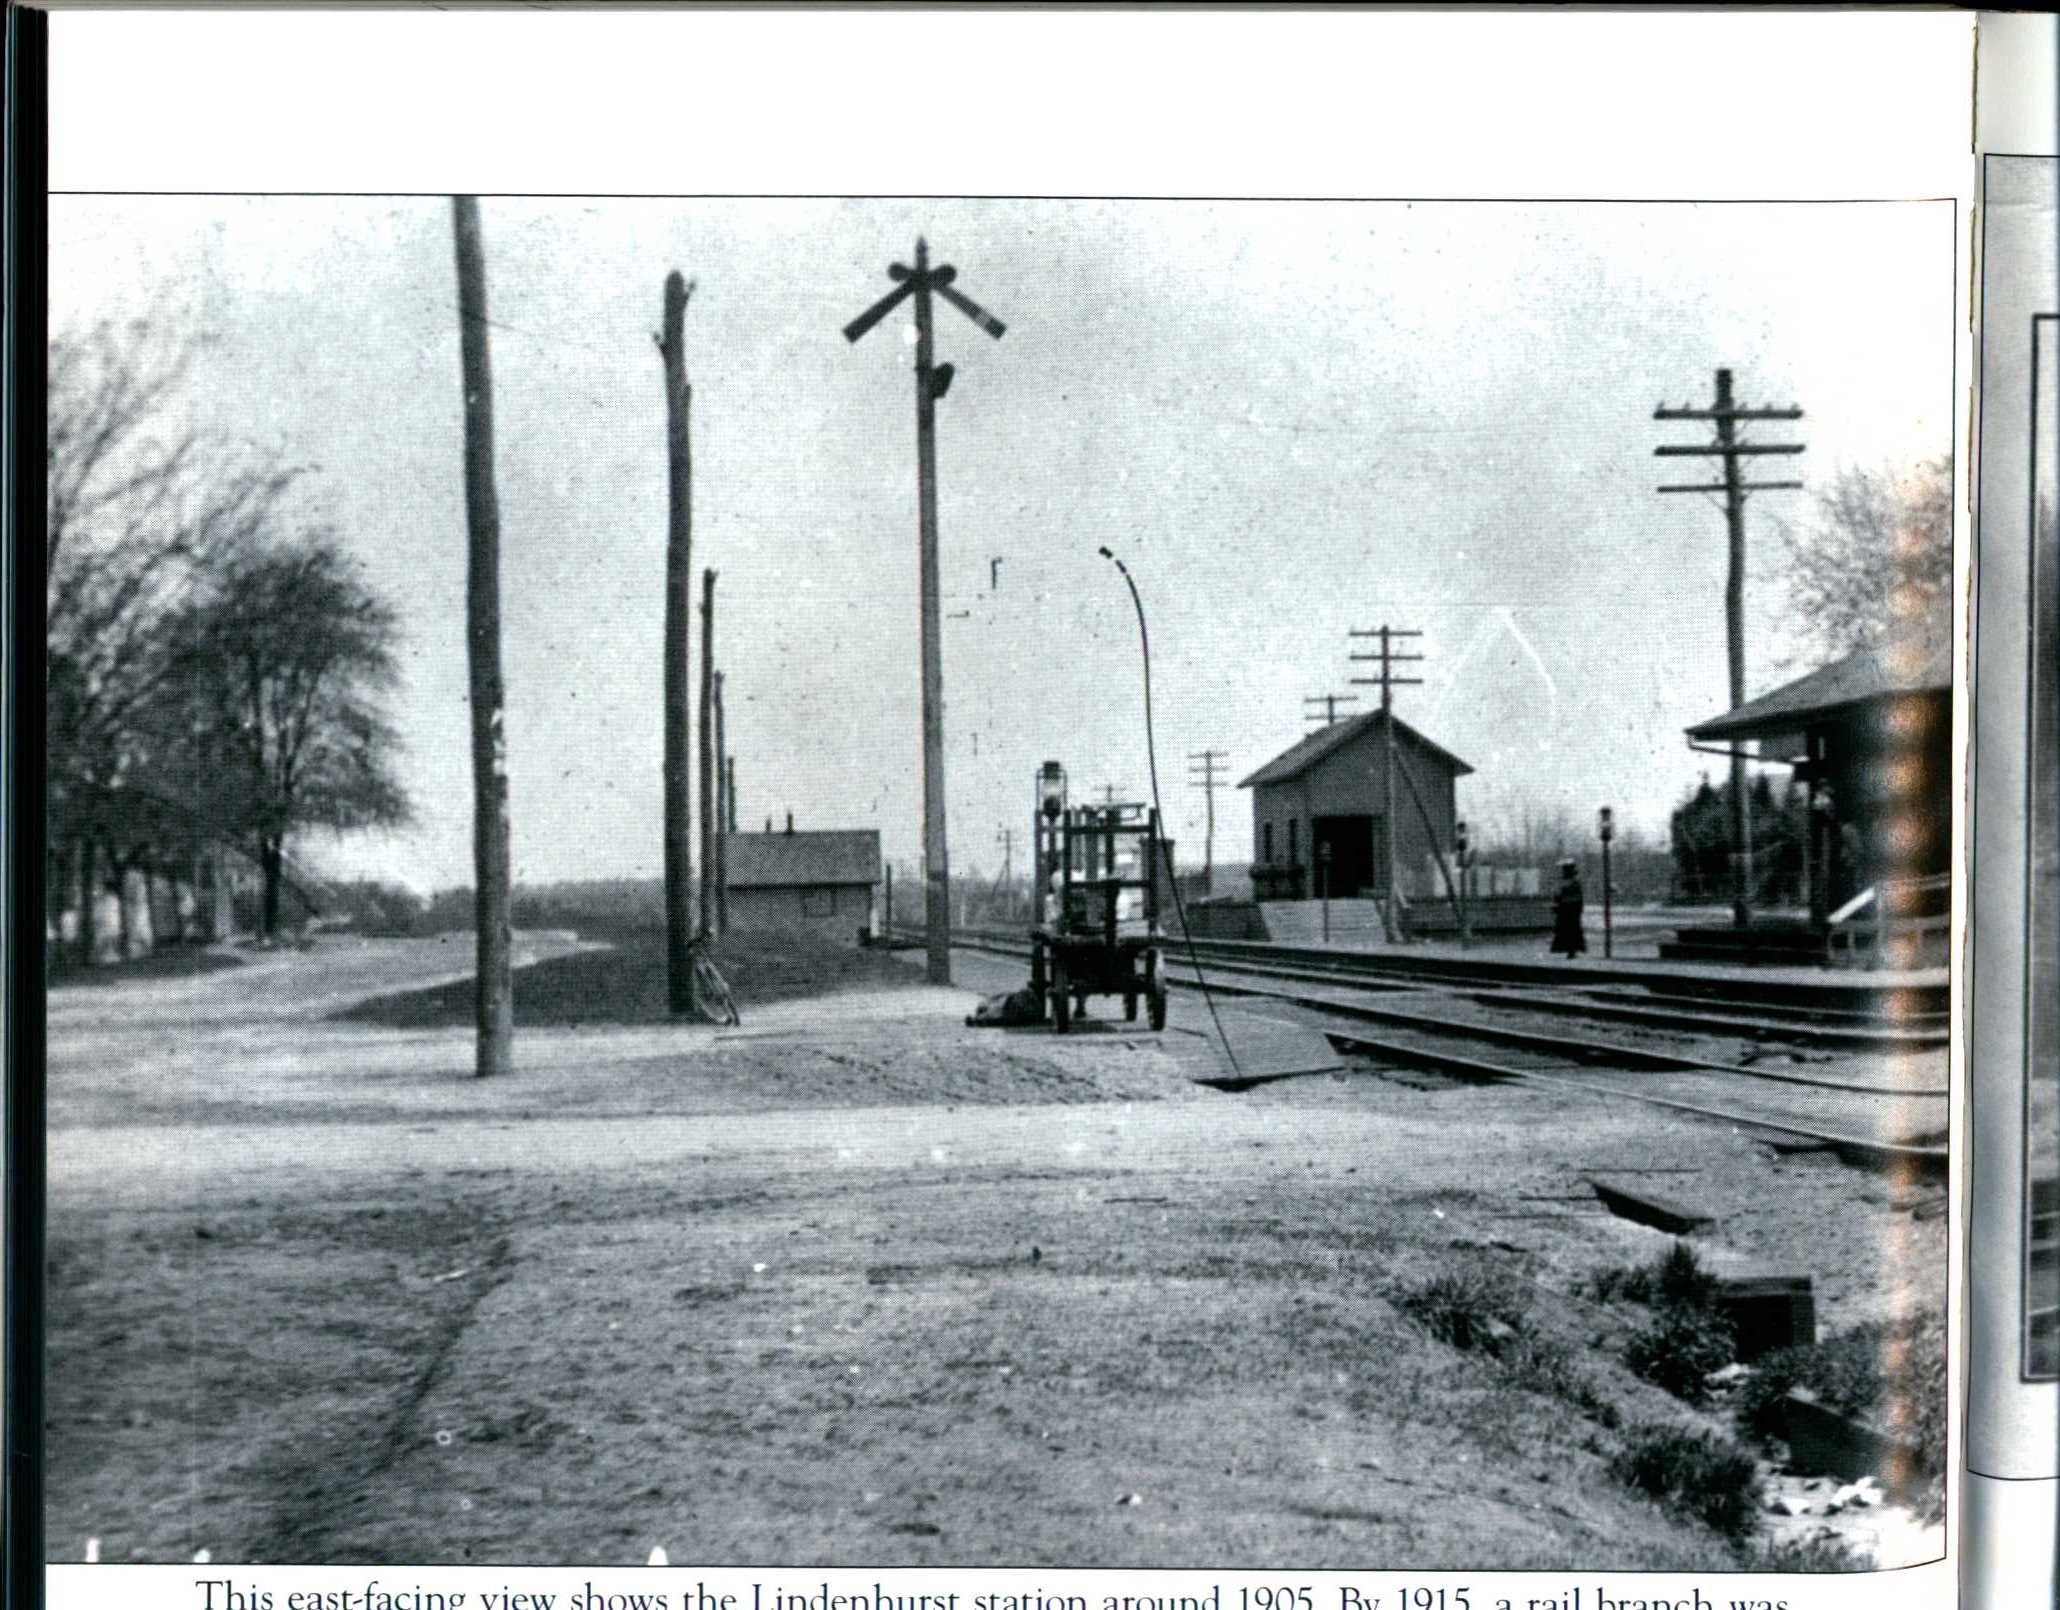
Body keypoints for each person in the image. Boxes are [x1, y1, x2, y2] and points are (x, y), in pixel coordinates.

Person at [1550, 858, 1587, 959]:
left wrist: (1558, 902)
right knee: (1570, 929)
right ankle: (1571, 950)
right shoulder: (1572, 881)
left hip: (1568, 908)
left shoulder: (1571, 881)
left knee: (1569, 929)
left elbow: (1560, 894)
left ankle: (1571, 950)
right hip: (1570, 908)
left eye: (1564, 869)